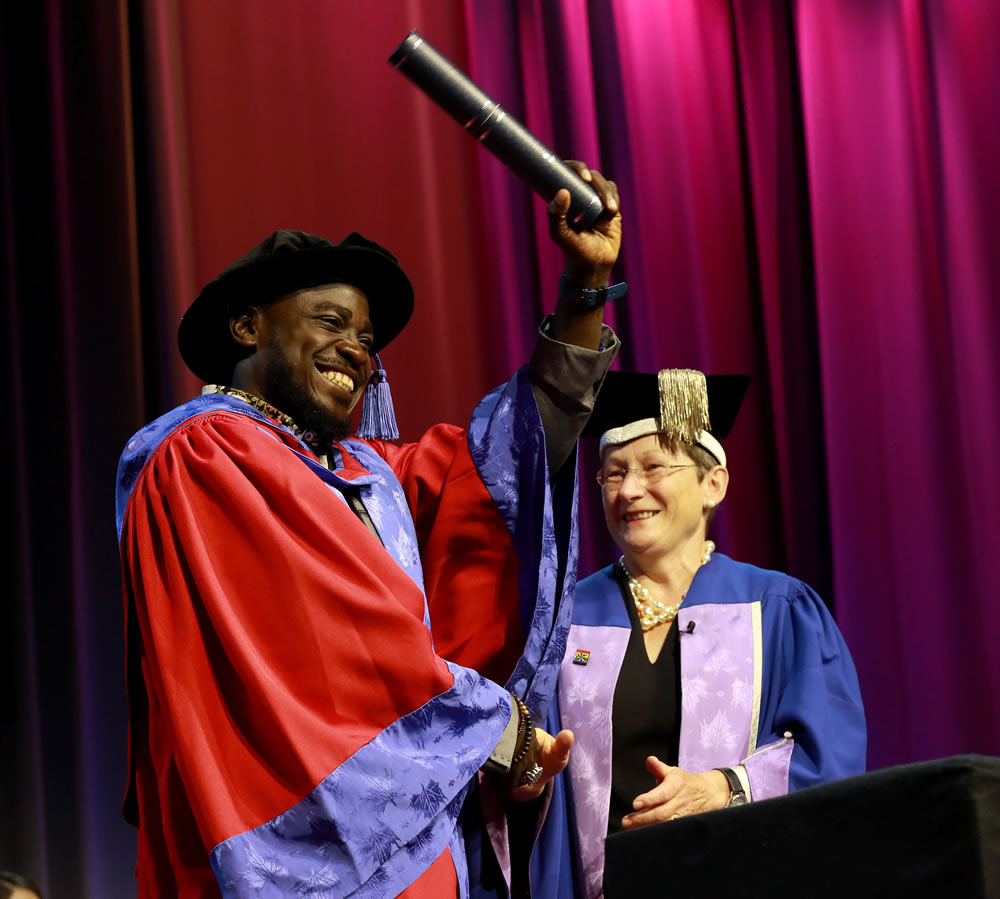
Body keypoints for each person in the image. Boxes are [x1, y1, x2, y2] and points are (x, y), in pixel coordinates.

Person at [115, 165, 624, 897]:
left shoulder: (370, 474)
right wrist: (499, 731)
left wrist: (583, 288)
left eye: (366, 336)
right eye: (330, 321)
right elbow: (334, 638)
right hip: (271, 840)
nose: (358, 347)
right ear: (247, 325)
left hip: (409, 857)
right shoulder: (202, 452)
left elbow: (510, 462)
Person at [534, 368, 867, 899]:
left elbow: (828, 759)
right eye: (613, 473)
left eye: (652, 467)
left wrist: (725, 787)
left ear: (714, 483)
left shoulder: (777, 609)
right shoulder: (566, 620)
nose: (630, 489)